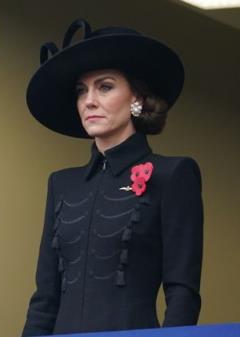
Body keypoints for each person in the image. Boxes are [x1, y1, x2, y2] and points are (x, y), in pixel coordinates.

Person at [22, 19, 203, 336]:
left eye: (104, 86)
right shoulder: (61, 184)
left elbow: (182, 293)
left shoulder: (173, 174)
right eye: (82, 91)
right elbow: (44, 299)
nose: (89, 100)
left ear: (137, 98)